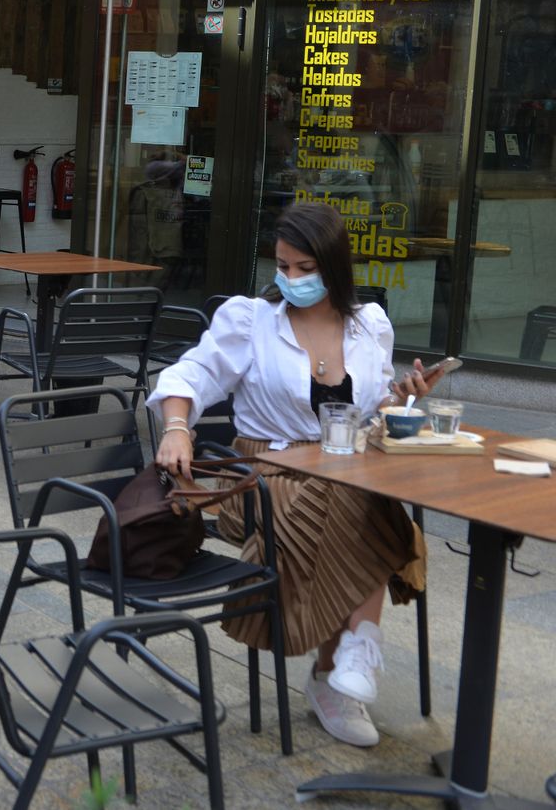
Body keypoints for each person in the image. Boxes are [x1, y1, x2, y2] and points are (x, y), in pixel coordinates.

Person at [151, 201, 440, 749]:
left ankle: (340, 666)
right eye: (283, 267)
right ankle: (349, 661)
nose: (291, 279)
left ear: (334, 266)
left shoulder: (368, 327)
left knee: (356, 490)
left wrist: (399, 399)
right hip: (262, 472)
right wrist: (177, 428)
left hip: (342, 467)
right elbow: (191, 372)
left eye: (304, 269)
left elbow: (372, 411)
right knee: (363, 499)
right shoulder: (250, 320)